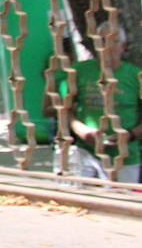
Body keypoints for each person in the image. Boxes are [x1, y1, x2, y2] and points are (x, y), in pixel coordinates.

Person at [54, 26, 141, 184]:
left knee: (122, 204)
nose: (107, 46)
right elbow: (63, 109)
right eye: (102, 40)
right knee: (82, 202)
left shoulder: (136, 76)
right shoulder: (78, 72)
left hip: (125, 156)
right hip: (86, 153)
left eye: (113, 41)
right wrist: (83, 131)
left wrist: (130, 134)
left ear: (123, 46)